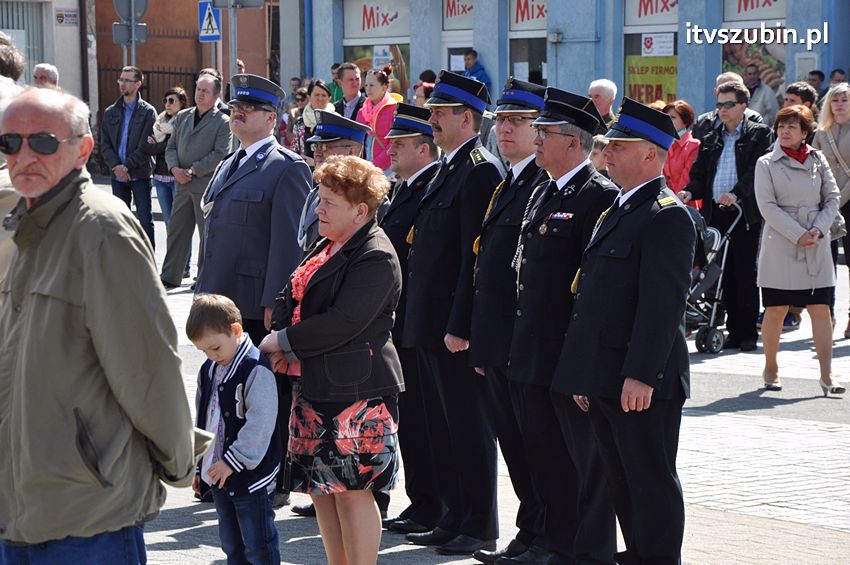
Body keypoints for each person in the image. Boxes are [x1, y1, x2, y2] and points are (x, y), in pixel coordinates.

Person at [0, 86, 203, 562]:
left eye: (44, 142)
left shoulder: (100, 228)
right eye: (10, 143)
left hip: (88, 512)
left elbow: (148, 367)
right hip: (21, 503)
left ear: (83, 149)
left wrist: (178, 462)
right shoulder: (23, 222)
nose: (24, 155)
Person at [552, 97, 696, 565]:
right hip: (606, 376)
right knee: (622, 482)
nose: (607, 151)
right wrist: (586, 376)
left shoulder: (665, 213)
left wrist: (640, 374)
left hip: (639, 381)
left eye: (619, 144)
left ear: (651, 154)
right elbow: (595, 300)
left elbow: (662, 307)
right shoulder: (620, 207)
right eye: (607, 144)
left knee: (649, 483)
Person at [259, 155, 404, 565]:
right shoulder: (328, 242)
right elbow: (293, 293)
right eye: (319, 199)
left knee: (354, 490)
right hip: (314, 387)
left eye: (328, 203)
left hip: (356, 395)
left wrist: (282, 340)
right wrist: (283, 335)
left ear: (360, 211)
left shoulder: (375, 254)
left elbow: (345, 322)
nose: (318, 209)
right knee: (323, 488)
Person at [509, 88, 619, 565]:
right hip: (532, 348)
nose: (535, 139)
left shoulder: (597, 195)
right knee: (544, 456)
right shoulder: (545, 187)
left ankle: (581, 550)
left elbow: (592, 289)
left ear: (574, 143)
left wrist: (582, 364)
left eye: (544, 132)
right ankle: (549, 541)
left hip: (566, 354)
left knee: (584, 463)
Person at [403, 70, 504, 557]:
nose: (433, 120)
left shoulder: (480, 169)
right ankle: (452, 515)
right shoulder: (448, 167)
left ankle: (479, 522)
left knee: (468, 428)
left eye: (441, 113)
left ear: (468, 118)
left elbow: (474, 256)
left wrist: (460, 324)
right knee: (441, 426)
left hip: (451, 326)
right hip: (428, 321)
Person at [466, 78, 549, 565]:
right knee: (516, 449)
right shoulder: (508, 181)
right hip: (497, 340)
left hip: (522, 342)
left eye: (517, 120)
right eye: (501, 119)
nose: (505, 128)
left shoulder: (541, 183)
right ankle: (529, 533)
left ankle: (542, 537)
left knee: (535, 449)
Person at [381, 103, 443, 536]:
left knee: (427, 420)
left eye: (399, 145)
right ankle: (422, 503)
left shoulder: (426, 188)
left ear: (424, 149)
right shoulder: (403, 188)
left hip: (420, 320)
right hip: (399, 318)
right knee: (414, 422)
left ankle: (434, 504)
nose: (391, 153)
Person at [755, 105, 843, 396]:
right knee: (776, 308)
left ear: (805, 132)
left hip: (816, 243)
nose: (785, 131)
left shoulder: (818, 160)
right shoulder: (766, 163)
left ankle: (827, 372)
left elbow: (832, 197)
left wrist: (817, 229)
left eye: (792, 126)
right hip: (781, 243)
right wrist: (798, 234)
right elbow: (767, 206)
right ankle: (771, 366)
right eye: (781, 126)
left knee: (821, 308)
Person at [188, 294, 281, 564]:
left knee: (258, 545)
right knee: (231, 544)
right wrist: (199, 466)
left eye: (214, 348)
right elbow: (204, 417)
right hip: (218, 474)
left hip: (250, 475)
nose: (210, 356)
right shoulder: (209, 369)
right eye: (203, 350)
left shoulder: (254, 368)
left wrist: (233, 460)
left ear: (236, 331)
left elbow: (261, 423)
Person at [681, 81, 774, 351]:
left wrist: (736, 194)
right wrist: (688, 192)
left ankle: (747, 333)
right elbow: (699, 174)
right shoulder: (711, 135)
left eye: (728, 104)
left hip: (743, 213)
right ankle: (732, 331)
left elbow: (755, 173)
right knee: (722, 274)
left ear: (743, 105)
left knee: (744, 272)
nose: (721, 109)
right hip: (715, 212)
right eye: (719, 104)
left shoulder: (759, 134)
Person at [160, 71, 232, 289]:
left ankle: (203, 277)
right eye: (198, 89)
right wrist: (174, 168)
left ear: (216, 94)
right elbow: (170, 147)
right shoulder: (183, 116)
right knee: (177, 230)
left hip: (205, 184)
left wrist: (192, 170)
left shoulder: (222, 121)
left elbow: (220, 153)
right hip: (181, 182)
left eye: (205, 91)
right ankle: (170, 275)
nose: (200, 94)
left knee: (206, 233)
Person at [296, 111, 371, 255]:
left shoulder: (370, 199)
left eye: (325, 147)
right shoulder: (315, 194)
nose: (317, 153)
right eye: (316, 147)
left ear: (351, 152)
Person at [100, 65, 157, 248]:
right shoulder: (111, 112)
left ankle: (148, 263)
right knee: (119, 219)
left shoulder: (148, 112)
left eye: (127, 80)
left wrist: (127, 167)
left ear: (138, 84)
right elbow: (105, 144)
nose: (122, 84)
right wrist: (117, 166)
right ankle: (122, 261)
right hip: (117, 176)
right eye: (121, 80)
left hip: (139, 174)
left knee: (144, 219)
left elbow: (145, 146)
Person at [813, 82, 850, 339]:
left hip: (845, 202)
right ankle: (828, 316)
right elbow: (814, 167)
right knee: (825, 264)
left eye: (845, 100)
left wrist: (838, 200)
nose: (839, 105)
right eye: (835, 100)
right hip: (826, 204)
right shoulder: (821, 132)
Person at [143, 86, 188, 227]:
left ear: (182, 104)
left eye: (171, 101)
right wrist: (160, 146)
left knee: (179, 224)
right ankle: (172, 250)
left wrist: (158, 145)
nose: (167, 104)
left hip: (177, 178)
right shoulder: (159, 123)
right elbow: (148, 148)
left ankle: (185, 251)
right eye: (165, 100)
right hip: (160, 178)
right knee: (168, 223)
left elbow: (175, 148)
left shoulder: (185, 123)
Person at [692, 72, 764, 140]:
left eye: (734, 89)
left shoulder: (753, 118)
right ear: (716, 92)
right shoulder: (703, 122)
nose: (727, 92)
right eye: (723, 89)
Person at [357, 64, 402, 172]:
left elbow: (395, 142)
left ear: (384, 87)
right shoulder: (362, 111)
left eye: (372, 85)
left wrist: (376, 165)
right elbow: (356, 140)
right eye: (366, 85)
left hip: (389, 168)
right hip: (365, 168)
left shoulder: (395, 110)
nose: (367, 89)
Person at [663, 99, 701, 210]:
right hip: (664, 204)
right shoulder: (664, 144)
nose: (668, 121)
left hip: (685, 206)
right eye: (666, 117)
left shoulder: (694, 146)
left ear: (685, 121)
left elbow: (686, 180)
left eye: (673, 117)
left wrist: (671, 200)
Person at [293, 79, 336, 166]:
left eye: (324, 95)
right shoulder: (300, 122)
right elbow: (294, 150)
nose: (320, 98)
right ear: (309, 97)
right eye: (316, 95)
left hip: (329, 172)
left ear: (329, 98)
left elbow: (340, 153)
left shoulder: (336, 121)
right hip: (304, 172)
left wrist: (316, 163)